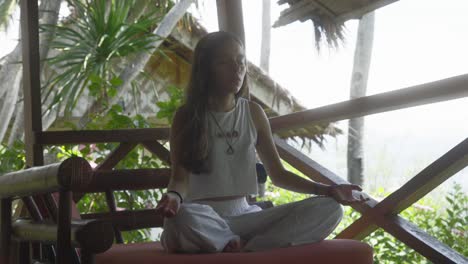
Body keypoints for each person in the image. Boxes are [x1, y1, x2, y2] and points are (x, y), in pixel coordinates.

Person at [155, 31, 368, 254]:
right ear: (205, 70)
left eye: (240, 61)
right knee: (182, 219)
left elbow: (278, 175)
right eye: (224, 62)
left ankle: (243, 246)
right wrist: (173, 197)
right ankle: (238, 243)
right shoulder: (186, 116)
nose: (236, 69)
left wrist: (328, 190)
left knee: (330, 209)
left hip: (247, 216)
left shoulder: (253, 113)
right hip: (202, 216)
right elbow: (179, 180)